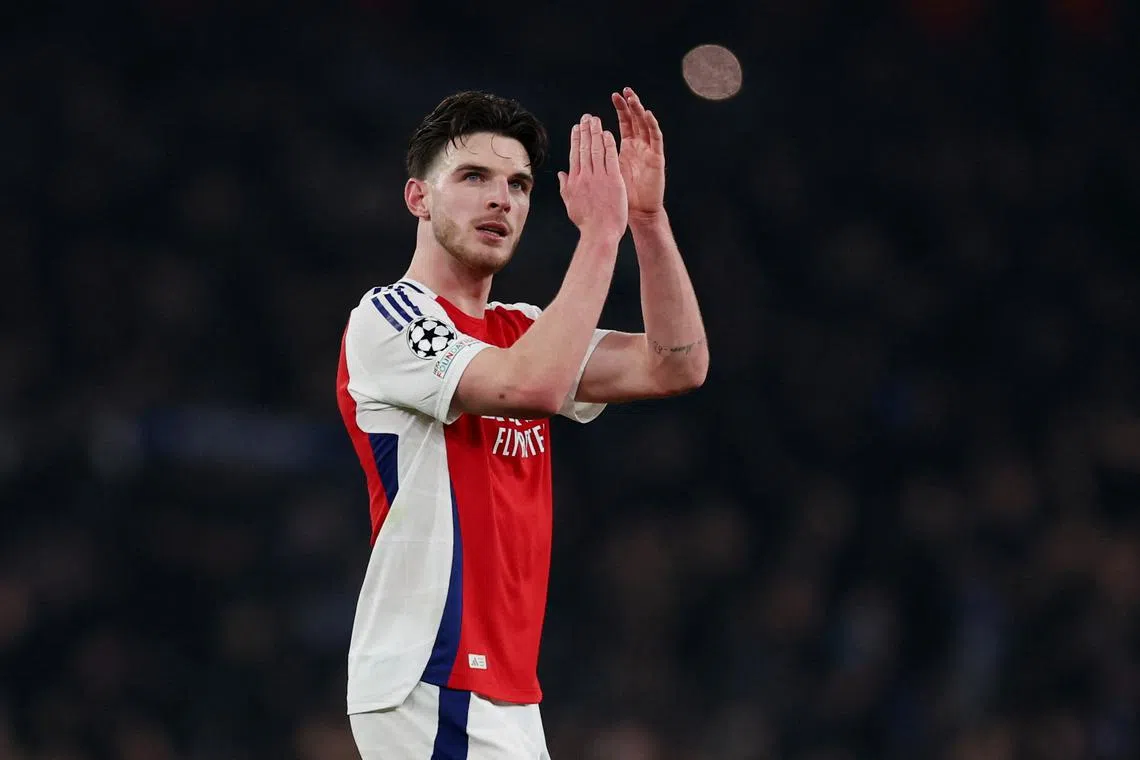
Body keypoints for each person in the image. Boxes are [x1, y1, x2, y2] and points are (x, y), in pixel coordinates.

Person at [336, 87, 707, 758]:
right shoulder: (389, 319)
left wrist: (647, 222)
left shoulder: (524, 329)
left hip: (505, 691)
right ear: (418, 198)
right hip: (432, 678)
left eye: (518, 184)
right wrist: (600, 238)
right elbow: (529, 387)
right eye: (473, 177)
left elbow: (675, 363)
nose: (500, 198)